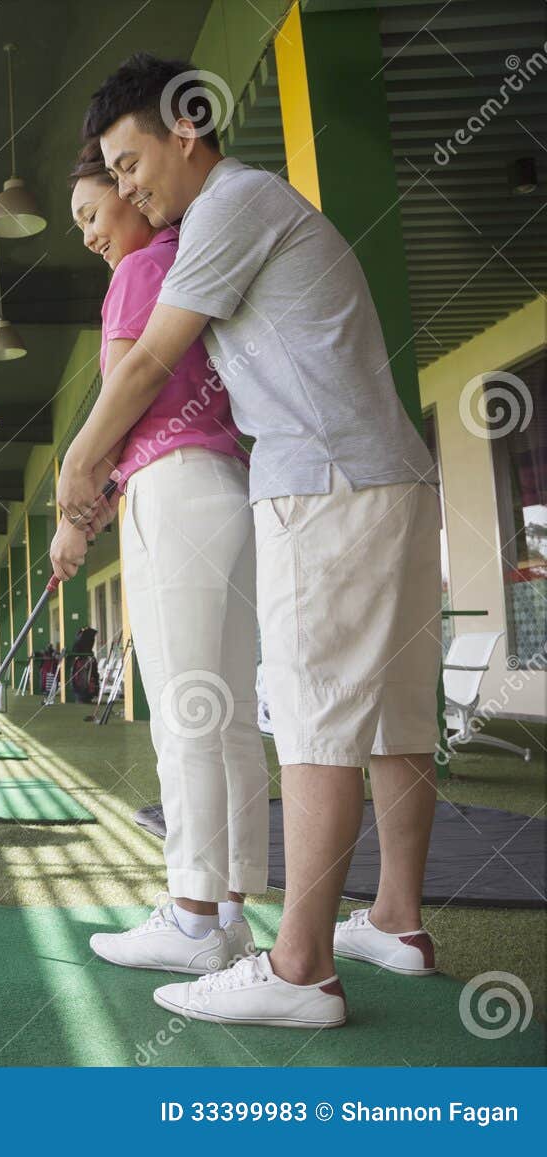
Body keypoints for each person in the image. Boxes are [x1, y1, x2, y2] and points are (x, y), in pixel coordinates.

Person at [61, 54, 442, 1029]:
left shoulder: (228, 207)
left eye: (129, 158)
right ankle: (396, 919)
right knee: (396, 719)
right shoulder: (248, 209)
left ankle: (299, 966)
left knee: (315, 721)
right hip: (388, 471)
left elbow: (146, 360)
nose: (127, 182)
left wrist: (76, 467)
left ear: (184, 129)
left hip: (322, 483)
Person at [53, 140, 267, 977]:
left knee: (184, 711)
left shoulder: (139, 274)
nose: (89, 235)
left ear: (130, 197)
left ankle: (188, 917)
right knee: (228, 713)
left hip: (172, 494)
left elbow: (126, 396)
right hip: (227, 486)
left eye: (92, 213)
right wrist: (98, 504)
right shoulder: (190, 261)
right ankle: (232, 913)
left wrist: (75, 511)